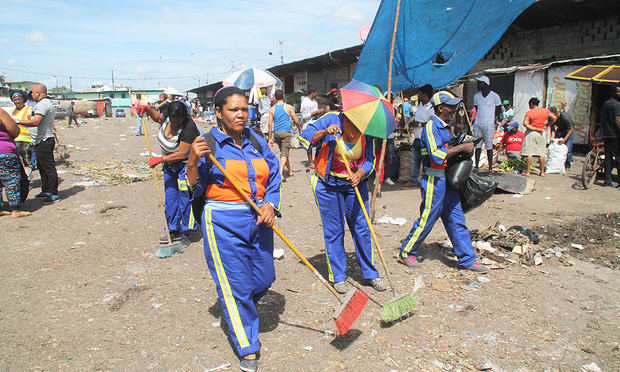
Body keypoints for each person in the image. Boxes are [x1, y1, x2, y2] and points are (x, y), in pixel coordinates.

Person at [183, 86, 281, 372]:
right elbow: (192, 186)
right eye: (233, 110)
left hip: (259, 219)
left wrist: (270, 204)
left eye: (244, 109)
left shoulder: (256, 140)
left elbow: (273, 175)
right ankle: (247, 346)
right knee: (236, 285)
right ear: (218, 113)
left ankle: (236, 303)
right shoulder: (207, 145)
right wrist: (191, 161)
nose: (240, 115)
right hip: (223, 222)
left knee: (264, 277)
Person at [398, 91, 487, 273]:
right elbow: (436, 155)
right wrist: (461, 147)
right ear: (441, 108)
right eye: (451, 106)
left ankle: (467, 259)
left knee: (456, 218)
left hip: (446, 180)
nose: (454, 109)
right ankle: (407, 251)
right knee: (428, 217)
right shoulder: (431, 127)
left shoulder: (446, 127)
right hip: (434, 179)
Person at [300, 110, 388, 294]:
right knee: (335, 230)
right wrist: (325, 132)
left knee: (362, 228)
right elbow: (305, 136)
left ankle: (371, 273)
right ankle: (338, 276)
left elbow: (370, 160)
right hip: (328, 184)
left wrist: (360, 173)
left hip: (354, 184)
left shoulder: (368, 129)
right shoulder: (331, 119)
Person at [136, 100, 200, 247]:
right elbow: (158, 118)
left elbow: (181, 154)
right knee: (171, 198)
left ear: (184, 117)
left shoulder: (189, 127)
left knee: (185, 198)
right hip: (169, 165)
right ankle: (173, 229)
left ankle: (186, 232)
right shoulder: (168, 113)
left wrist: (159, 159)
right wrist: (147, 109)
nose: (175, 123)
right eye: (173, 120)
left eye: (178, 120)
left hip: (186, 165)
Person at [17, 84, 59, 204]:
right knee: (41, 165)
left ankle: (53, 192)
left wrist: (18, 122)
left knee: (48, 167)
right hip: (40, 140)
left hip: (45, 139)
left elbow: (36, 122)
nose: (31, 95)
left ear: (38, 93)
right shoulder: (41, 104)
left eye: (32, 93)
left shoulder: (43, 104)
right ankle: (46, 189)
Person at [0, 108, 31, 217]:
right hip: (4, 151)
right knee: (11, 180)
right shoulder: (0, 112)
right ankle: (15, 210)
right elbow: (15, 131)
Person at [404, 84, 434, 188]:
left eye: (419, 94)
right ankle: (413, 181)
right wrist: (413, 124)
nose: (418, 96)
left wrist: (419, 124)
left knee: (426, 162)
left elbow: (432, 124)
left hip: (426, 140)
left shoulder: (431, 107)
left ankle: (425, 182)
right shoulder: (420, 106)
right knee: (415, 161)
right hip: (417, 139)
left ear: (425, 95)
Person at [268, 89, 301, 179]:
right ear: (283, 96)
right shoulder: (288, 107)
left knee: (284, 153)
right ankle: (280, 173)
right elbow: (296, 120)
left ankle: (290, 170)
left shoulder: (272, 109)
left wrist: (270, 138)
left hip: (277, 134)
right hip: (286, 133)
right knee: (284, 154)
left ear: (274, 98)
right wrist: (299, 128)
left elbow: (270, 124)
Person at [521, 97, 557, 177]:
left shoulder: (530, 112)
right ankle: (542, 172)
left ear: (531, 104)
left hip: (531, 132)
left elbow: (525, 123)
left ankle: (528, 172)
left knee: (529, 152)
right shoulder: (545, 111)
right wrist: (547, 125)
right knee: (541, 153)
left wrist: (535, 128)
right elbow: (554, 118)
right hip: (542, 132)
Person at [472, 76, 502, 170]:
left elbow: (498, 109)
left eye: (480, 83)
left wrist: (492, 118)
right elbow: (477, 108)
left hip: (489, 124)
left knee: (489, 146)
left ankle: (490, 167)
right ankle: (476, 166)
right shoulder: (476, 96)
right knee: (478, 146)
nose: (478, 85)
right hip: (478, 123)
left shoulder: (494, 96)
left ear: (485, 84)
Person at [599, 86, 620, 187]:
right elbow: (617, 121)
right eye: (619, 92)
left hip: (606, 134)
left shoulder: (605, 103)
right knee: (618, 157)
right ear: (614, 93)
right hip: (615, 135)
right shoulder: (617, 105)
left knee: (608, 158)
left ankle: (607, 181)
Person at [9, 91, 34, 172]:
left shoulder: (29, 109)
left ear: (24, 100)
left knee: (26, 161)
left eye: (19, 99)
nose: (17, 101)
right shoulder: (11, 111)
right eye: (15, 99)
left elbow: (33, 123)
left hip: (25, 140)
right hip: (14, 139)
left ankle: (28, 178)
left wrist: (18, 121)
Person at [300, 88, 325, 167]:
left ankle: (317, 160)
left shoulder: (315, 102)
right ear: (313, 92)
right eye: (316, 93)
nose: (317, 94)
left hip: (316, 125)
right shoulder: (305, 102)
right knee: (309, 145)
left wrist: (319, 112)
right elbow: (304, 116)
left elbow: (316, 113)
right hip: (307, 125)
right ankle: (311, 162)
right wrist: (315, 112)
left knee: (319, 143)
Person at [549, 105, 574, 172]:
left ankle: (568, 166)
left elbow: (571, 128)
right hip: (560, 130)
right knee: (556, 146)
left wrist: (565, 139)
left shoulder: (564, 117)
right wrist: (552, 137)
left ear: (554, 114)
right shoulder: (551, 118)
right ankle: (557, 164)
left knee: (568, 148)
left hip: (568, 130)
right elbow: (552, 128)